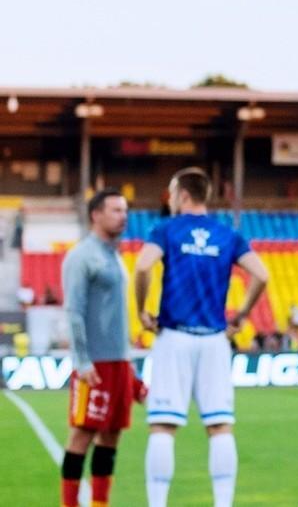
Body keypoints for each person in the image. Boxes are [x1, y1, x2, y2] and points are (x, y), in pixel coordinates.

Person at [134, 168, 269, 507]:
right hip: (214, 339)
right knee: (220, 425)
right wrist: (240, 316)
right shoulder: (227, 234)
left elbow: (143, 266)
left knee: (163, 426)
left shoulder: (166, 229)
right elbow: (262, 275)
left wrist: (141, 310)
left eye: (171, 193)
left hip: (174, 336)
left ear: (182, 195)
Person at [59, 189, 147, 507]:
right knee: (82, 434)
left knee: (111, 436)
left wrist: (129, 365)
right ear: (96, 215)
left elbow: (116, 317)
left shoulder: (115, 255)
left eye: (125, 210)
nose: (124, 216)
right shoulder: (82, 256)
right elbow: (74, 312)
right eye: (116, 210)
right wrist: (82, 361)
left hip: (119, 362)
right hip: (94, 363)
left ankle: (100, 503)